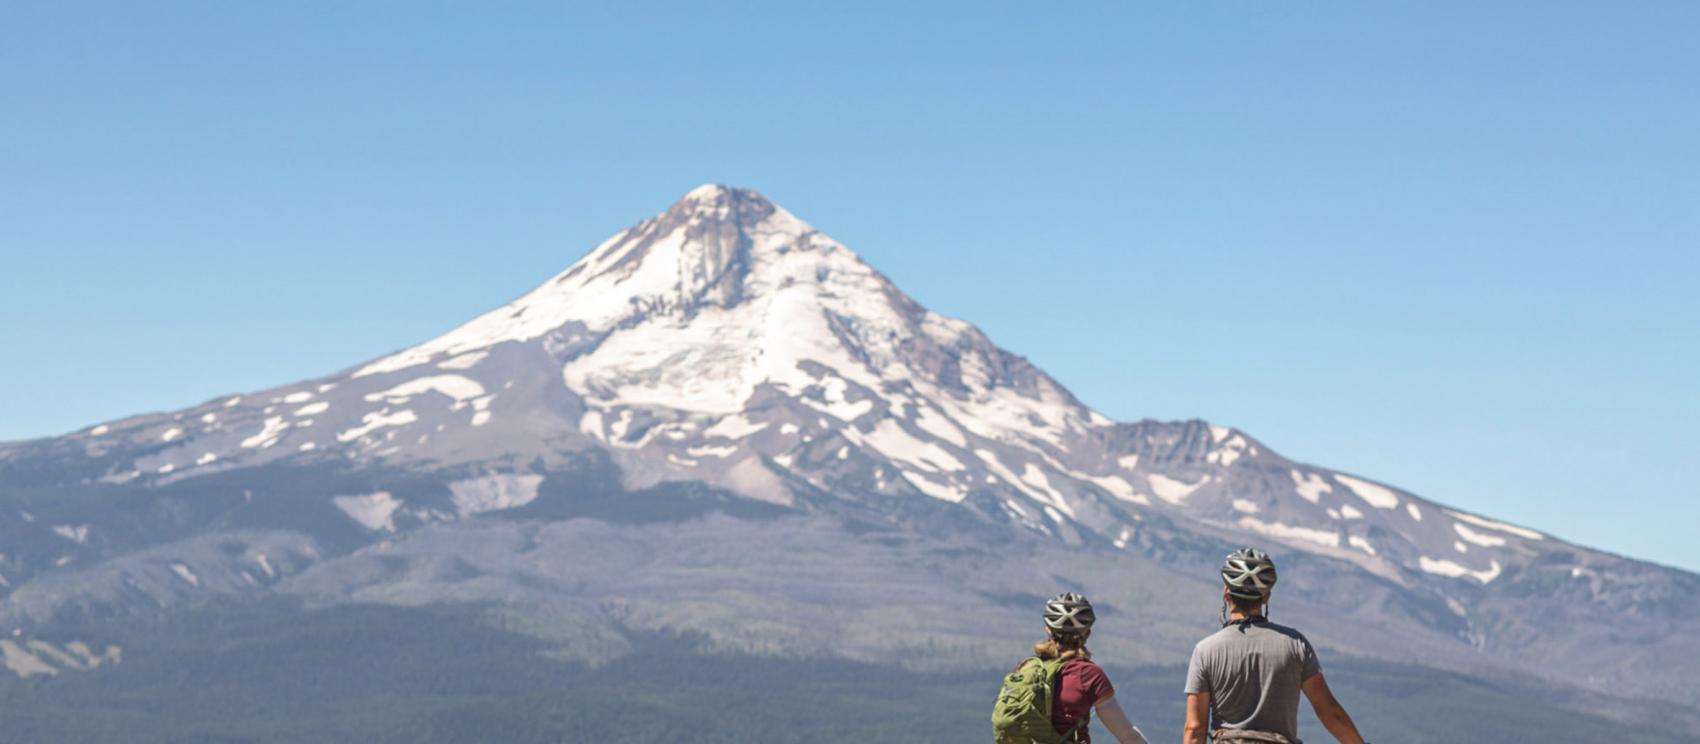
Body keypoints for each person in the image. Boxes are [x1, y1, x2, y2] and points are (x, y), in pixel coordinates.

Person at [1183, 549, 1370, 744]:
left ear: (1226, 593)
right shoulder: (1295, 644)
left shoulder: (1205, 651)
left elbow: (1195, 728)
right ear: (1266, 597)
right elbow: (1330, 714)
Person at [1004, 592, 1151, 744]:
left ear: (1047, 630)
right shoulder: (1088, 675)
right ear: (1087, 633)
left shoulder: (1025, 669)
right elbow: (1127, 735)